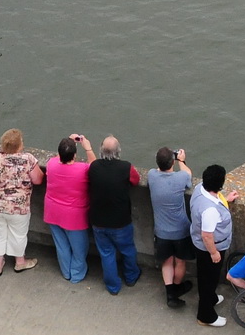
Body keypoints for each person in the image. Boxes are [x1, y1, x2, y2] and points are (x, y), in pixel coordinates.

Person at [89, 135, 143, 295]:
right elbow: (136, 180)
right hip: (120, 221)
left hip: (98, 220)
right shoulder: (126, 167)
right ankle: (131, 276)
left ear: (101, 150)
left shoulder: (94, 167)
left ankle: (113, 286)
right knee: (127, 249)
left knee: (106, 254)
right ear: (118, 151)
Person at [0, 128, 43, 274]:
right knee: (18, 234)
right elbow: (38, 180)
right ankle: (20, 262)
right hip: (18, 206)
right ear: (19, 144)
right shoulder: (28, 159)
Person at [190, 163, 240, 329]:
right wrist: (213, 253)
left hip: (199, 243)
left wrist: (226, 200)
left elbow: (214, 198)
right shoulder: (210, 210)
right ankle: (205, 315)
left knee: (206, 277)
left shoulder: (200, 189)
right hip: (210, 249)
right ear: (220, 184)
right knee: (208, 280)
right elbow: (207, 235)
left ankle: (211, 298)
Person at [43, 132, 96, 282]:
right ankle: (76, 275)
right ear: (74, 155)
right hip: (74, 217)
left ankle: (66, 272)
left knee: (62, 246)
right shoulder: (82, 169)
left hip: (53, 212)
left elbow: (57, 158)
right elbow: (95, 167)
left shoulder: (51, 164)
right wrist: (88, 148)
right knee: (79, 249)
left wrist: (68, 141)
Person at [149, 146, 197, 308]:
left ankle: (170, 293)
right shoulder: (180, 178)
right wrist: (181, 160)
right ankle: (177, 286)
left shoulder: (152, 176)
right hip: (181, 230)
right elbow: (188, 174)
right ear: (172, 162)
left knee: (167, 261)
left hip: (161, 231)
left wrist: (166, 161)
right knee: (180, 262)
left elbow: (158, 169)